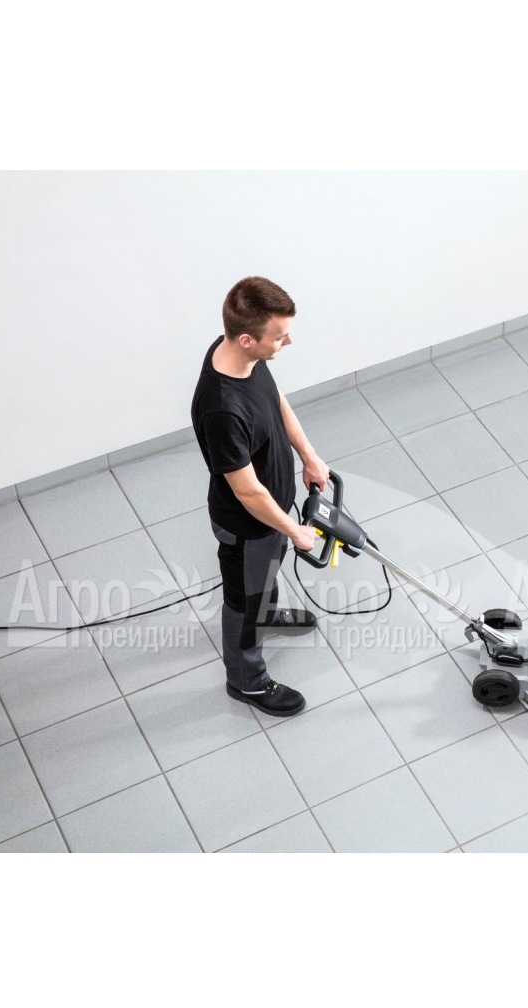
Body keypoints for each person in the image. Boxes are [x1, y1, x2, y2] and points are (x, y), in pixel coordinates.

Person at [191, 276, 329, 717]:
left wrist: (308, 455)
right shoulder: (221, 409)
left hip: (274, 513)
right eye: (280, 336)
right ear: (247, 339)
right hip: (249, 526)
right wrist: (294, 530)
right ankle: (246, 682)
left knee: (263, 580)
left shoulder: (243, 356)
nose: (288, 342)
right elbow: (247, 491)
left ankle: (267, 612)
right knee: (244, 603)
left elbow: (275, 400)